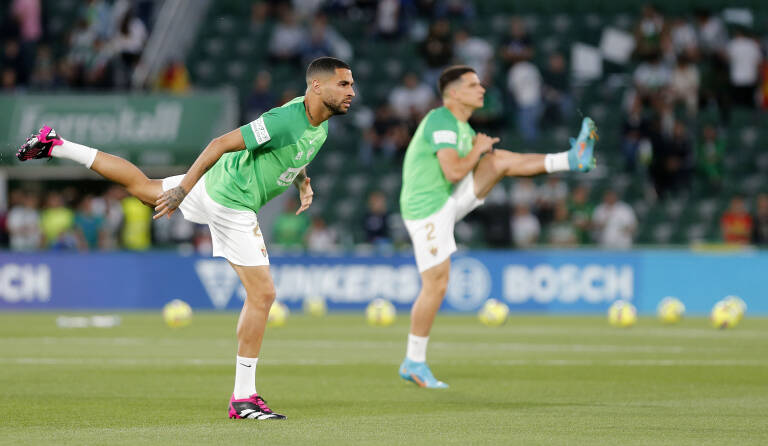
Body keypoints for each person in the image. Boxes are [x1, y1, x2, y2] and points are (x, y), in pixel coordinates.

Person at [16, 56, 355, 419]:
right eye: (344, 84)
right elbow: (218, 144)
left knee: (144, 187)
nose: (351, 91)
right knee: (264, 294)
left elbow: (294, 149)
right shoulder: (285, 118)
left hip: (214, 186)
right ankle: (243, 397)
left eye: (351, 84)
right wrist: (182, 191)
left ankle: (58, 145)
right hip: (231, 200)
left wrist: (301, 181)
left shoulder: (319, 122)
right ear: (317, 86)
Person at [398, 65, 597, 388]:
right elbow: (451, 172)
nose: (482, 89)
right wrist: (476, 151)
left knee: (498, 160)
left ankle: (572, 159)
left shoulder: (463, 128)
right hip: (426, 211)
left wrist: (479, 153)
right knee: (436, 283)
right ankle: (413, 361)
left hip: (446, 202)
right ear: (453, 93)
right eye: (473, 85)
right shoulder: (441, 120)